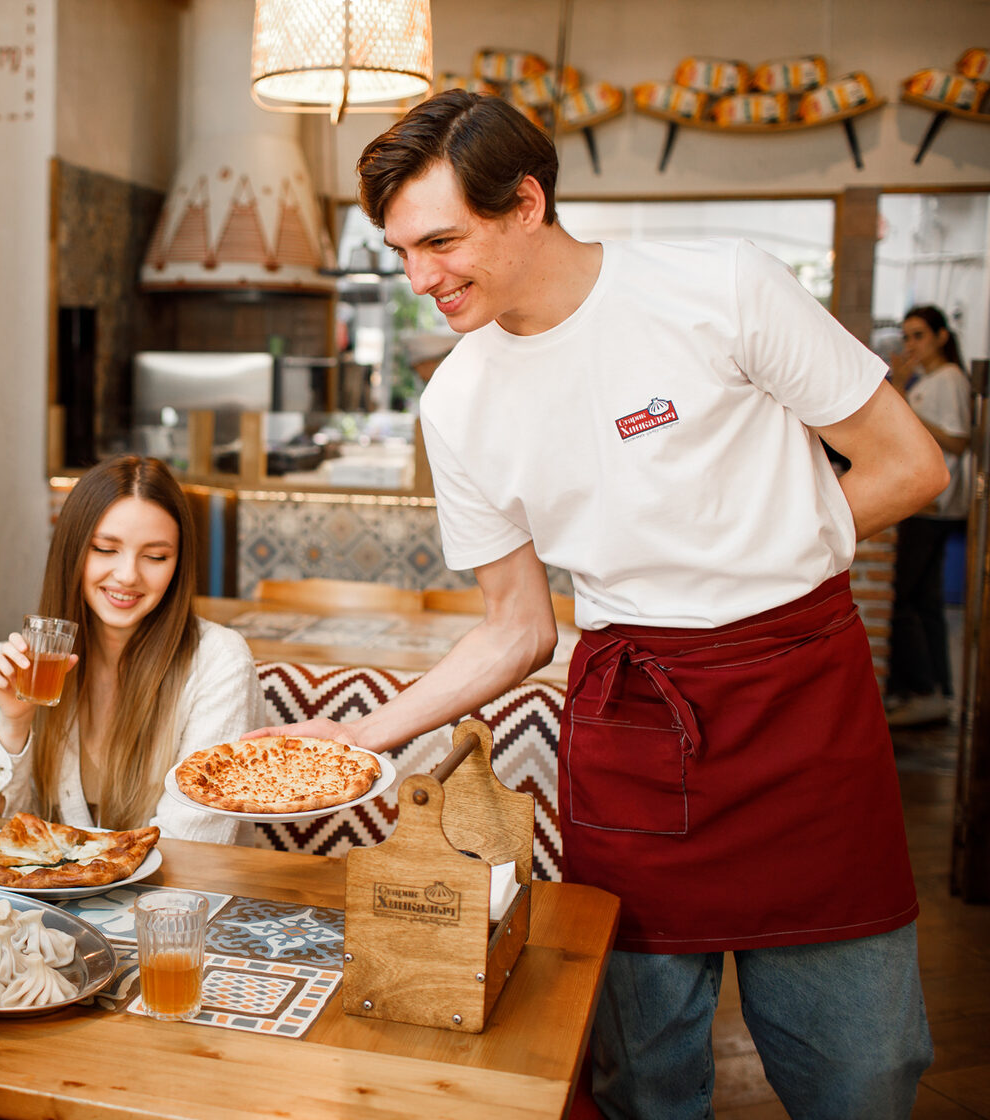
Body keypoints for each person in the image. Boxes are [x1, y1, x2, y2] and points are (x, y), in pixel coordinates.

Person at [251, 90, 946, 1118]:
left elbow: (910, 465)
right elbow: (518, 626)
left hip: (804, 703)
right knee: (640, 1073)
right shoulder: (458, 402)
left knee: (864, 1070)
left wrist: (757, 560)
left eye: (441, 240)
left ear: (526, 202)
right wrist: (356, 737)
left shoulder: (725, 288)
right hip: (633, 724)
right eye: (400, 251)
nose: (421, 278)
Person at [0, 455, 262, 844]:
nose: (127, 575)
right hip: (51, 899)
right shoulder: (43, 661)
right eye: (105, 549)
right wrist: (14, 724)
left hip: (181, 900)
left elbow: (195, 844)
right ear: (72, 551)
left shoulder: (219, 661)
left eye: (156, 557)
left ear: (179, 563)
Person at [886, 305, 973, 727]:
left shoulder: (950, 379)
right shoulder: (930, 380)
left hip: (933, 503)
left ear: (941, 336)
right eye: (906, 337)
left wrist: (906, 405)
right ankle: (939, 689)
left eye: (919, 335)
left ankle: (921, 689)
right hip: (926, 501)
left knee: (904, 599)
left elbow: (957, 441)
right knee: (925, 601)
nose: (911, 345)